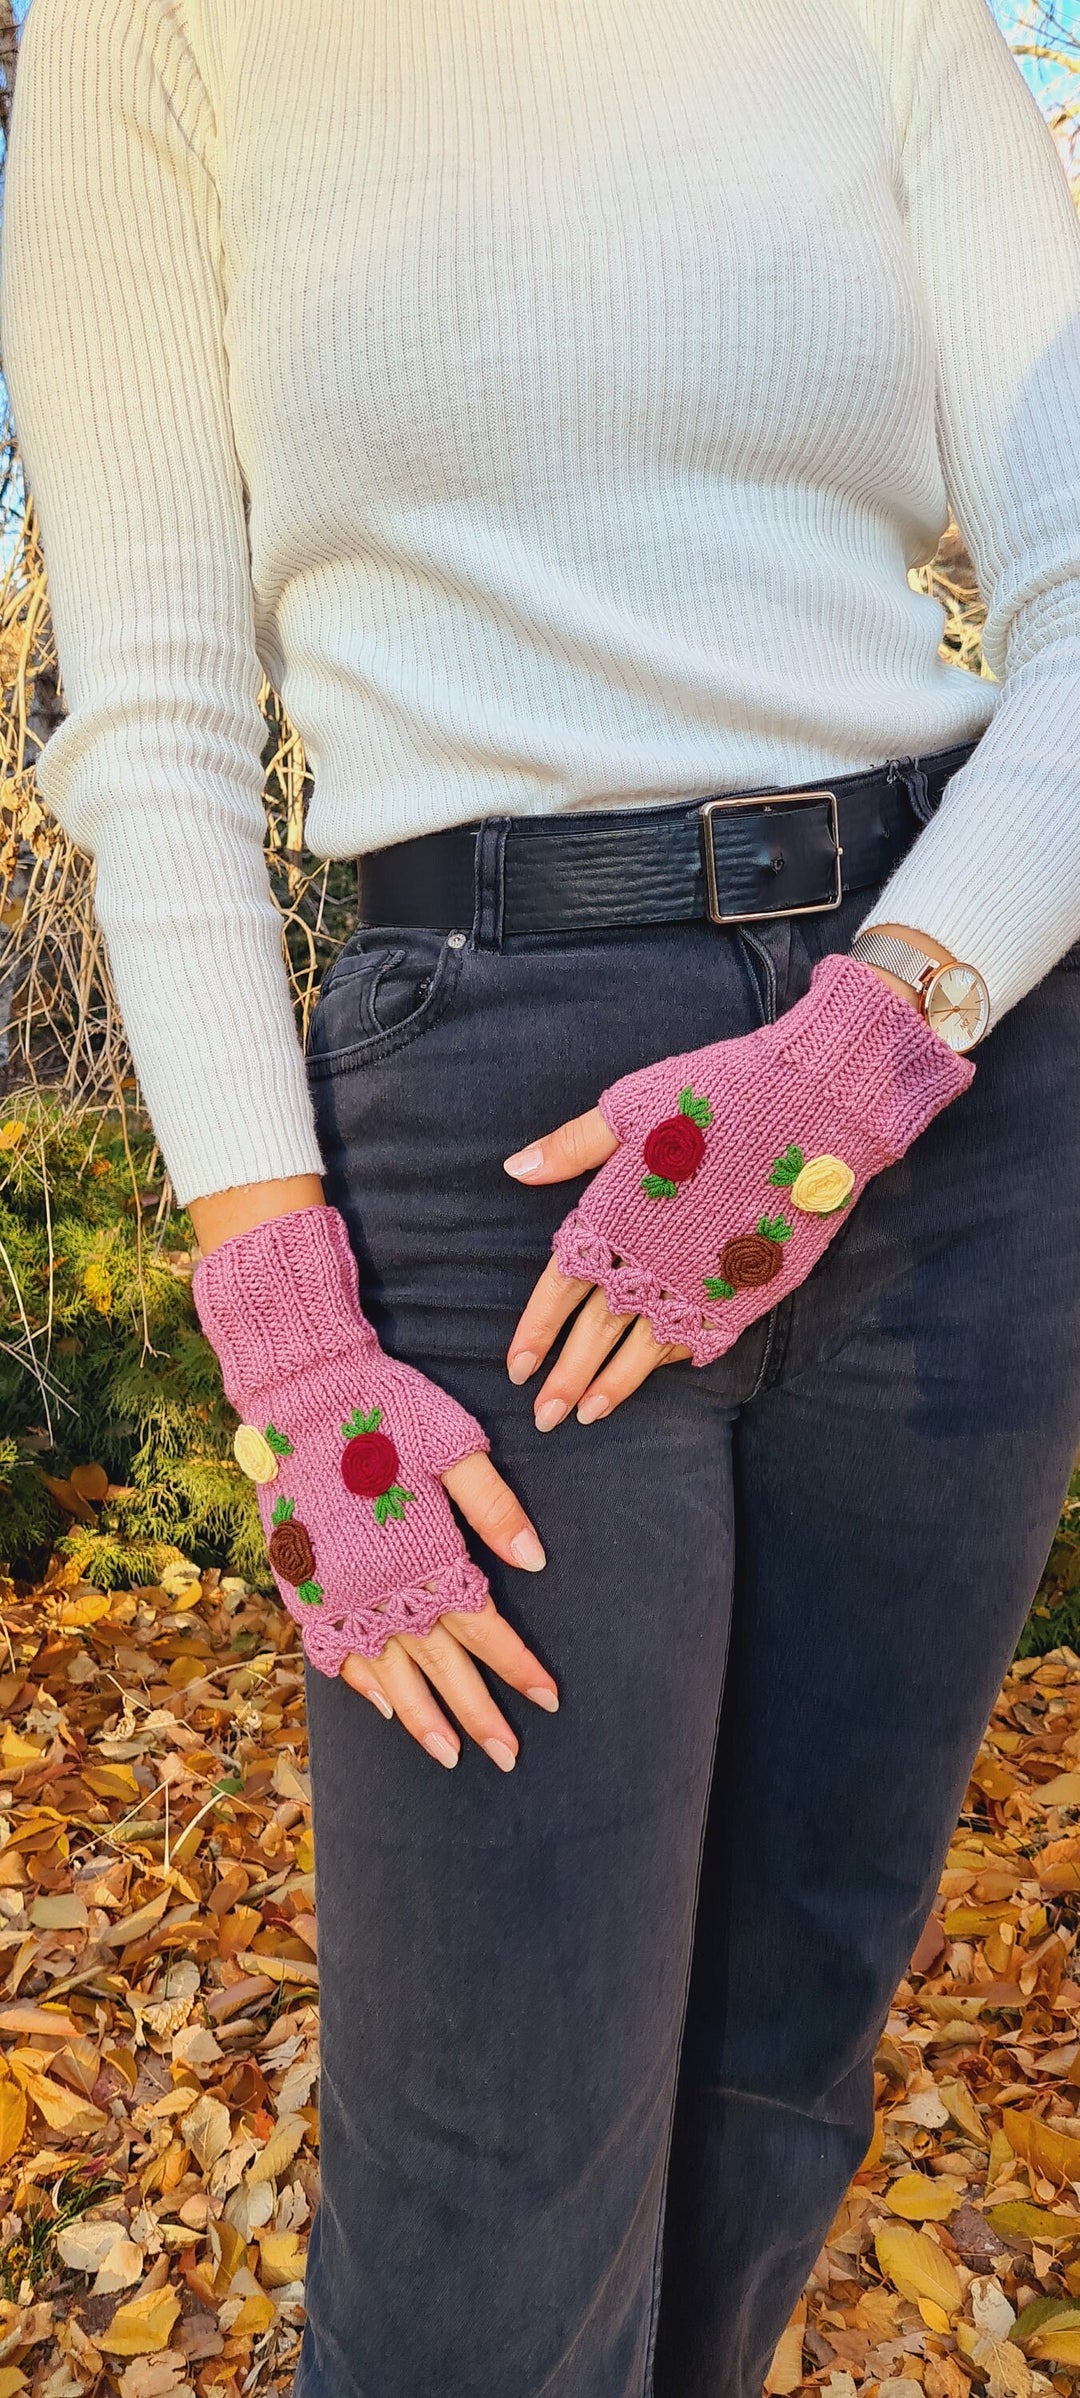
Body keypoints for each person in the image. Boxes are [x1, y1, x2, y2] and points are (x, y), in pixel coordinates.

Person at [3, 0, 1079, 2388]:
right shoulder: (157, 29)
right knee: (492, 2190)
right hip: (488, 1145)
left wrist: (873, 1039)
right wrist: (281, 1323)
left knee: (780, 2060)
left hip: (949, 1075)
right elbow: (158, 703)